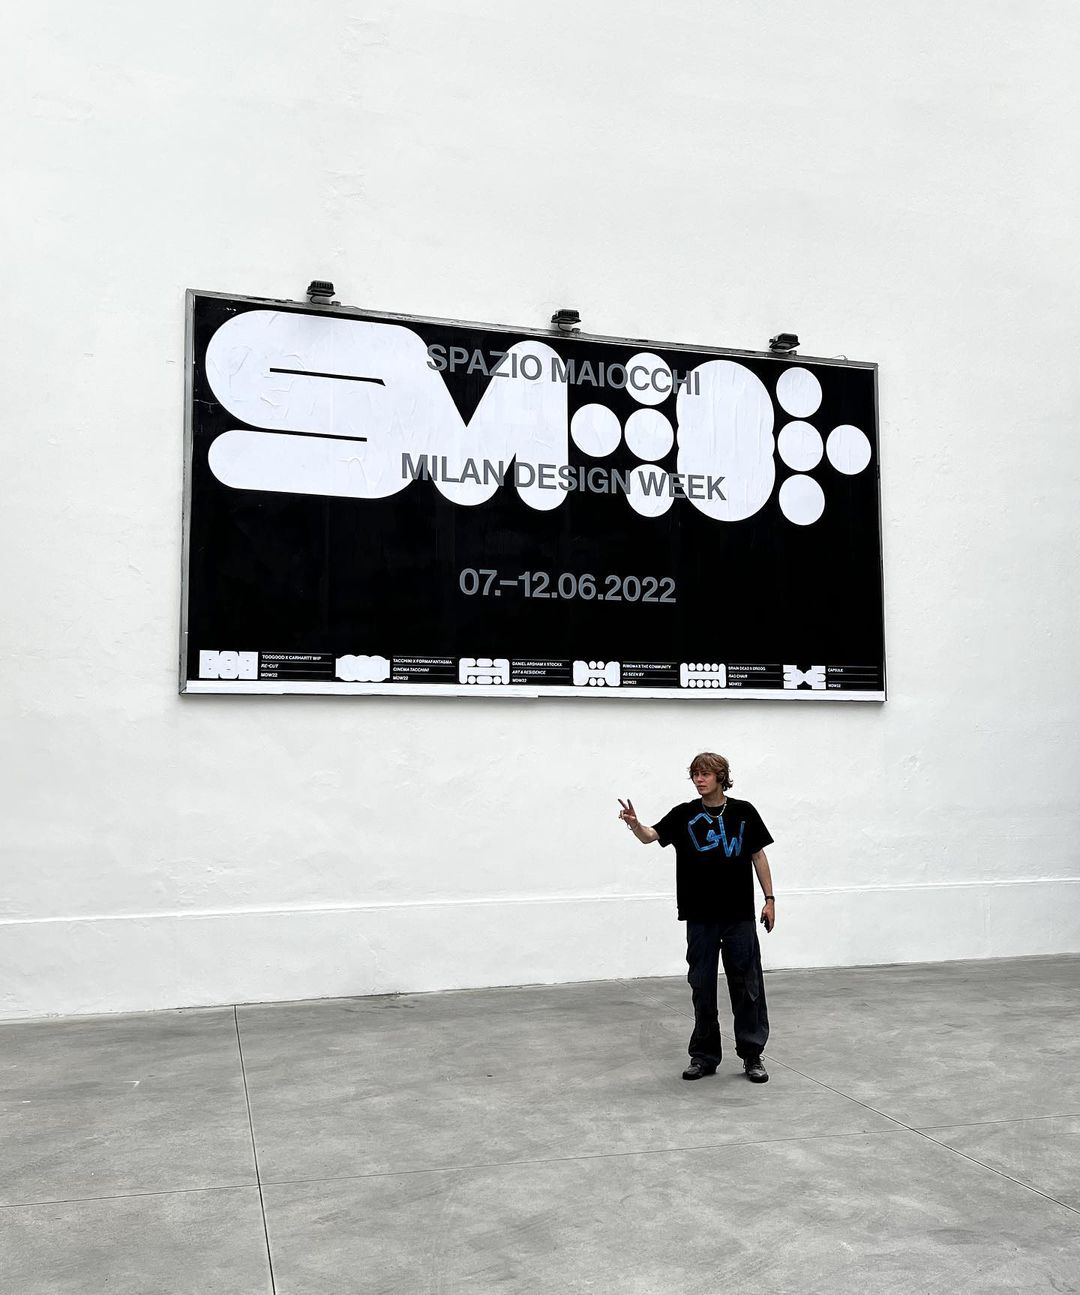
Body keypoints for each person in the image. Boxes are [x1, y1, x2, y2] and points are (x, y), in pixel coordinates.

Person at [619, 752, 775, 1083]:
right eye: (695, 774)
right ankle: (704, 1056)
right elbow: (650, 836)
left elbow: (758, 855)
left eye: (705, 774)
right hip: (700, 916)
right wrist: (635, 825)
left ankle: (752, 1055)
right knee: (701, 985)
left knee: (747, 986)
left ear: (721, 777)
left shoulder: (744, 812)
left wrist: (769, 899)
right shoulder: (684, 814)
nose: (699, 779)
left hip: (739, 916)